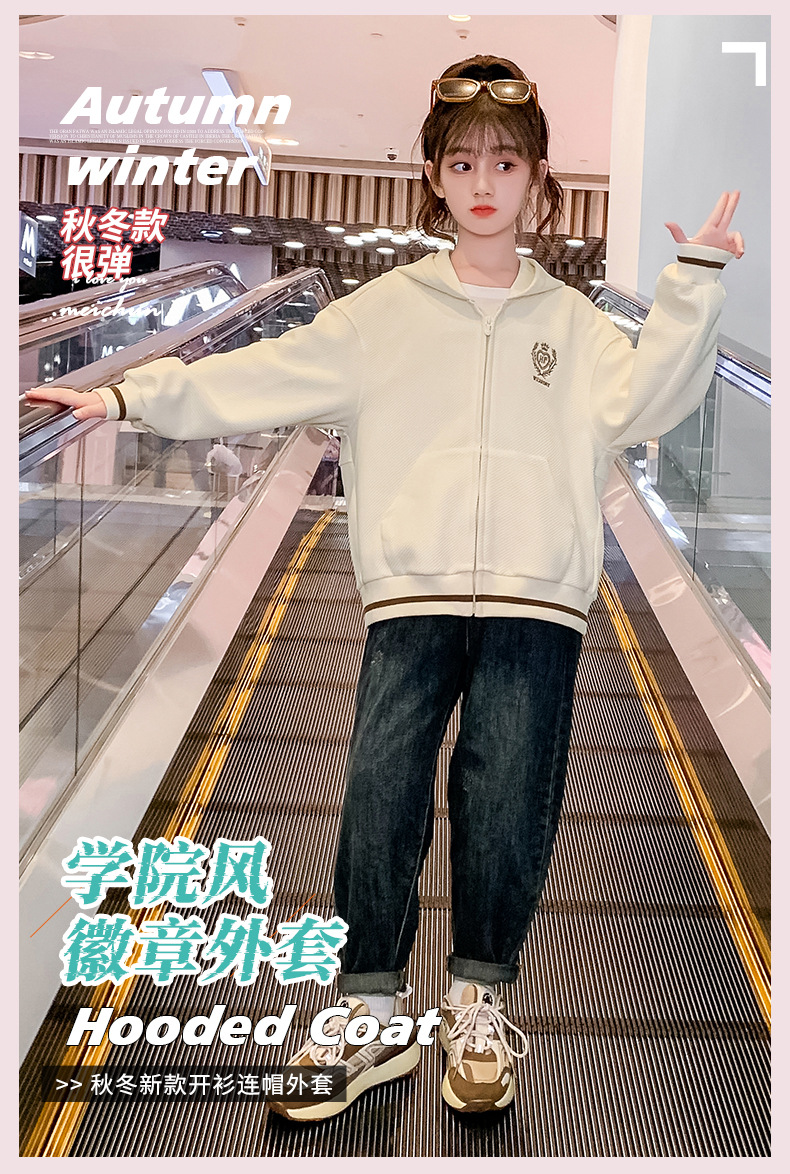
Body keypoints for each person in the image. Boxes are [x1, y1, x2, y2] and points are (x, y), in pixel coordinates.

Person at [27, 54, 744, 1120]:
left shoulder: (577, 325)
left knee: (509, 800)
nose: (485, 182)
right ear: (435, 178)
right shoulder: (383, 315)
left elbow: (651, 400)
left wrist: (692, 282)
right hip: (408, 594)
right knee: (380, 792)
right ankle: (367, 1011)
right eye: (463, 163)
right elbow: (255, 376)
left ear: (539, 178)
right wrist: (128, 396)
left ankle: (477, 1004)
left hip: (539, 601)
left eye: (507, 162)